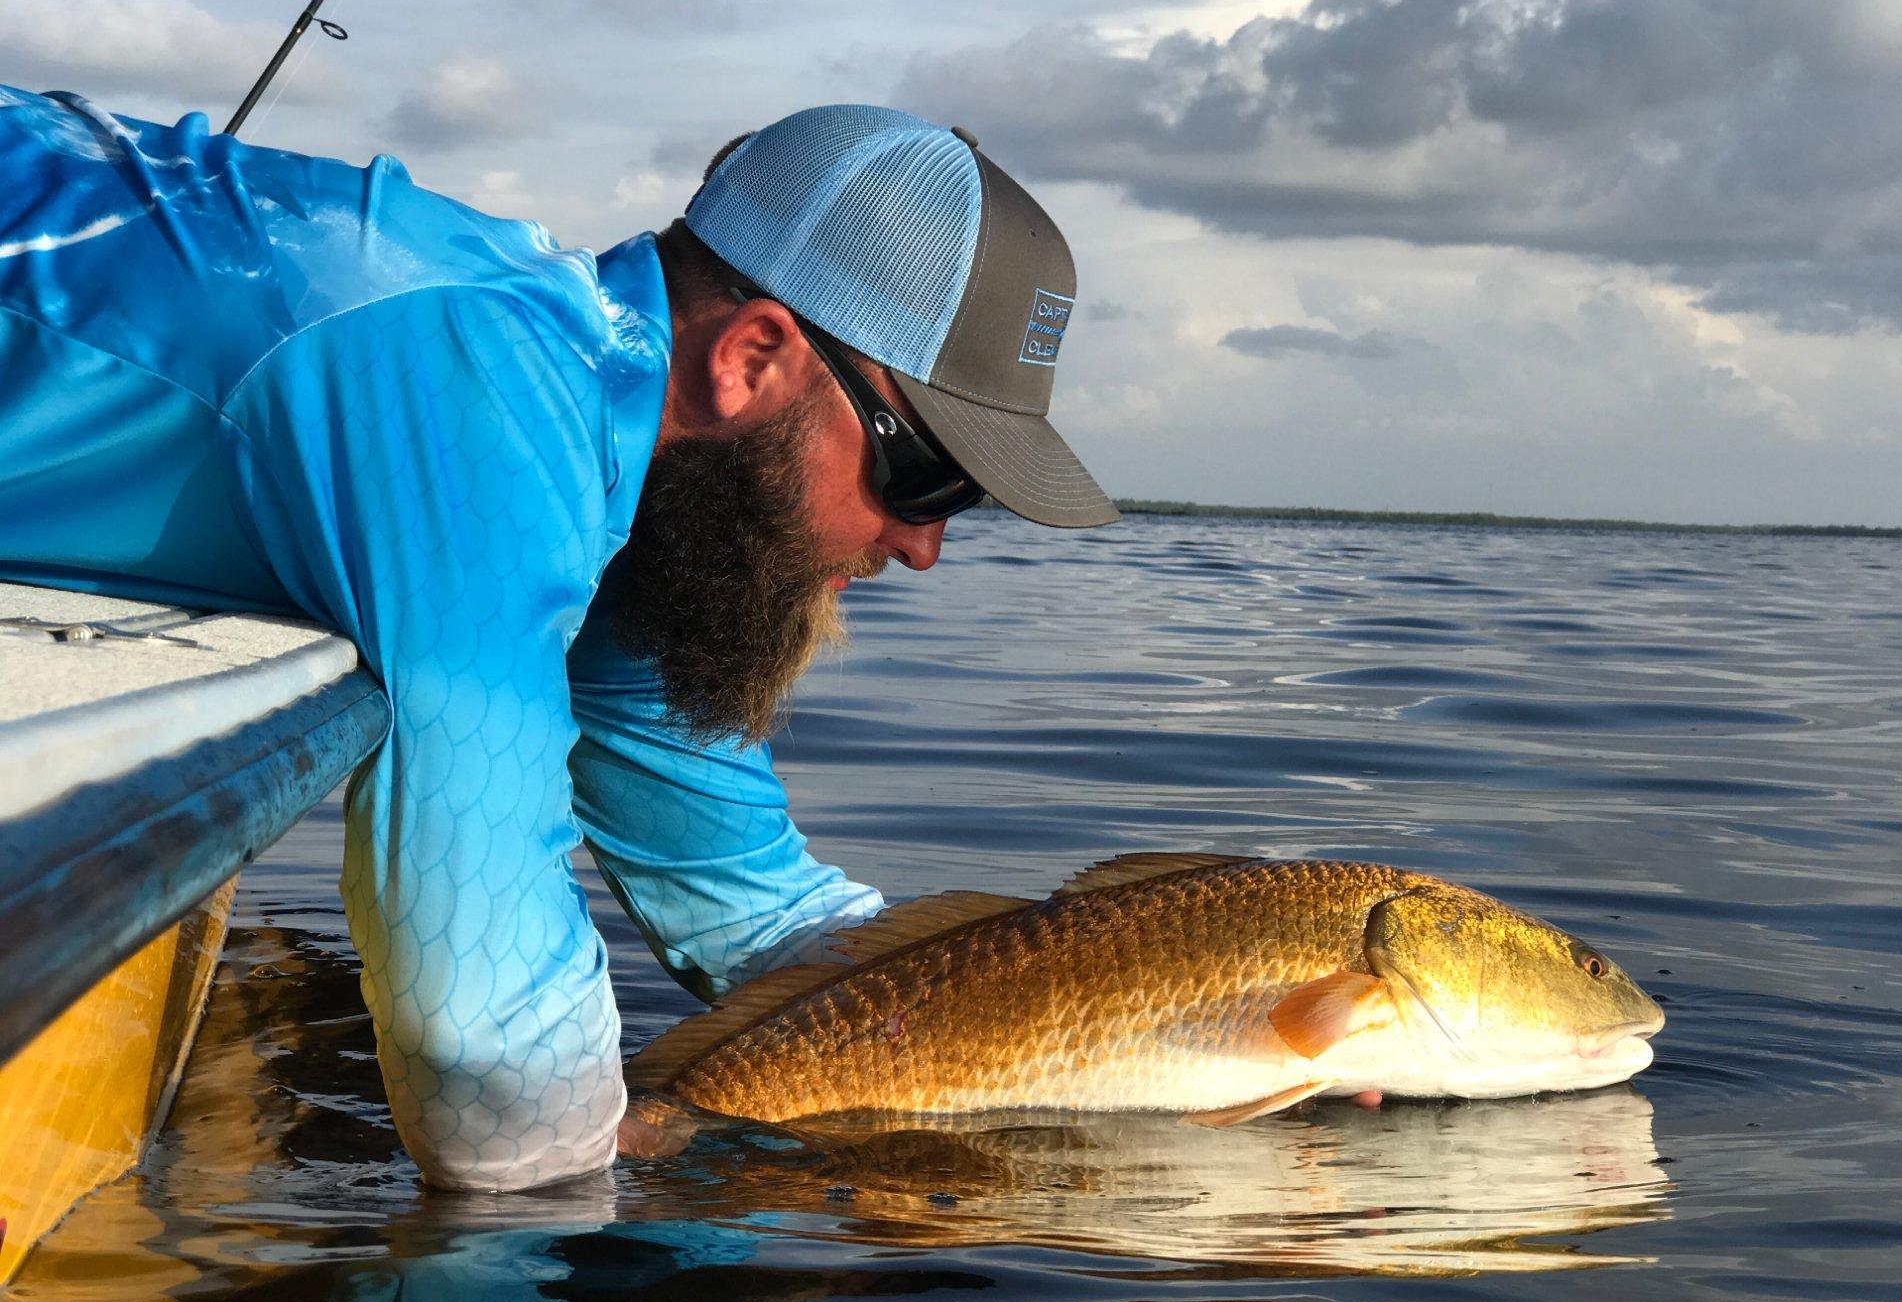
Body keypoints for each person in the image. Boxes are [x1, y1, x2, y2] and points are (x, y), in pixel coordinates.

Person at [0, 91, 1118, 1191]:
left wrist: (1121, 1010)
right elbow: (480, 1049)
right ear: (752, 358)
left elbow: (763, 916)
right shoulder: (476, 390)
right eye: (925, 478)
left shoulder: (637, 500)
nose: (923, 547)